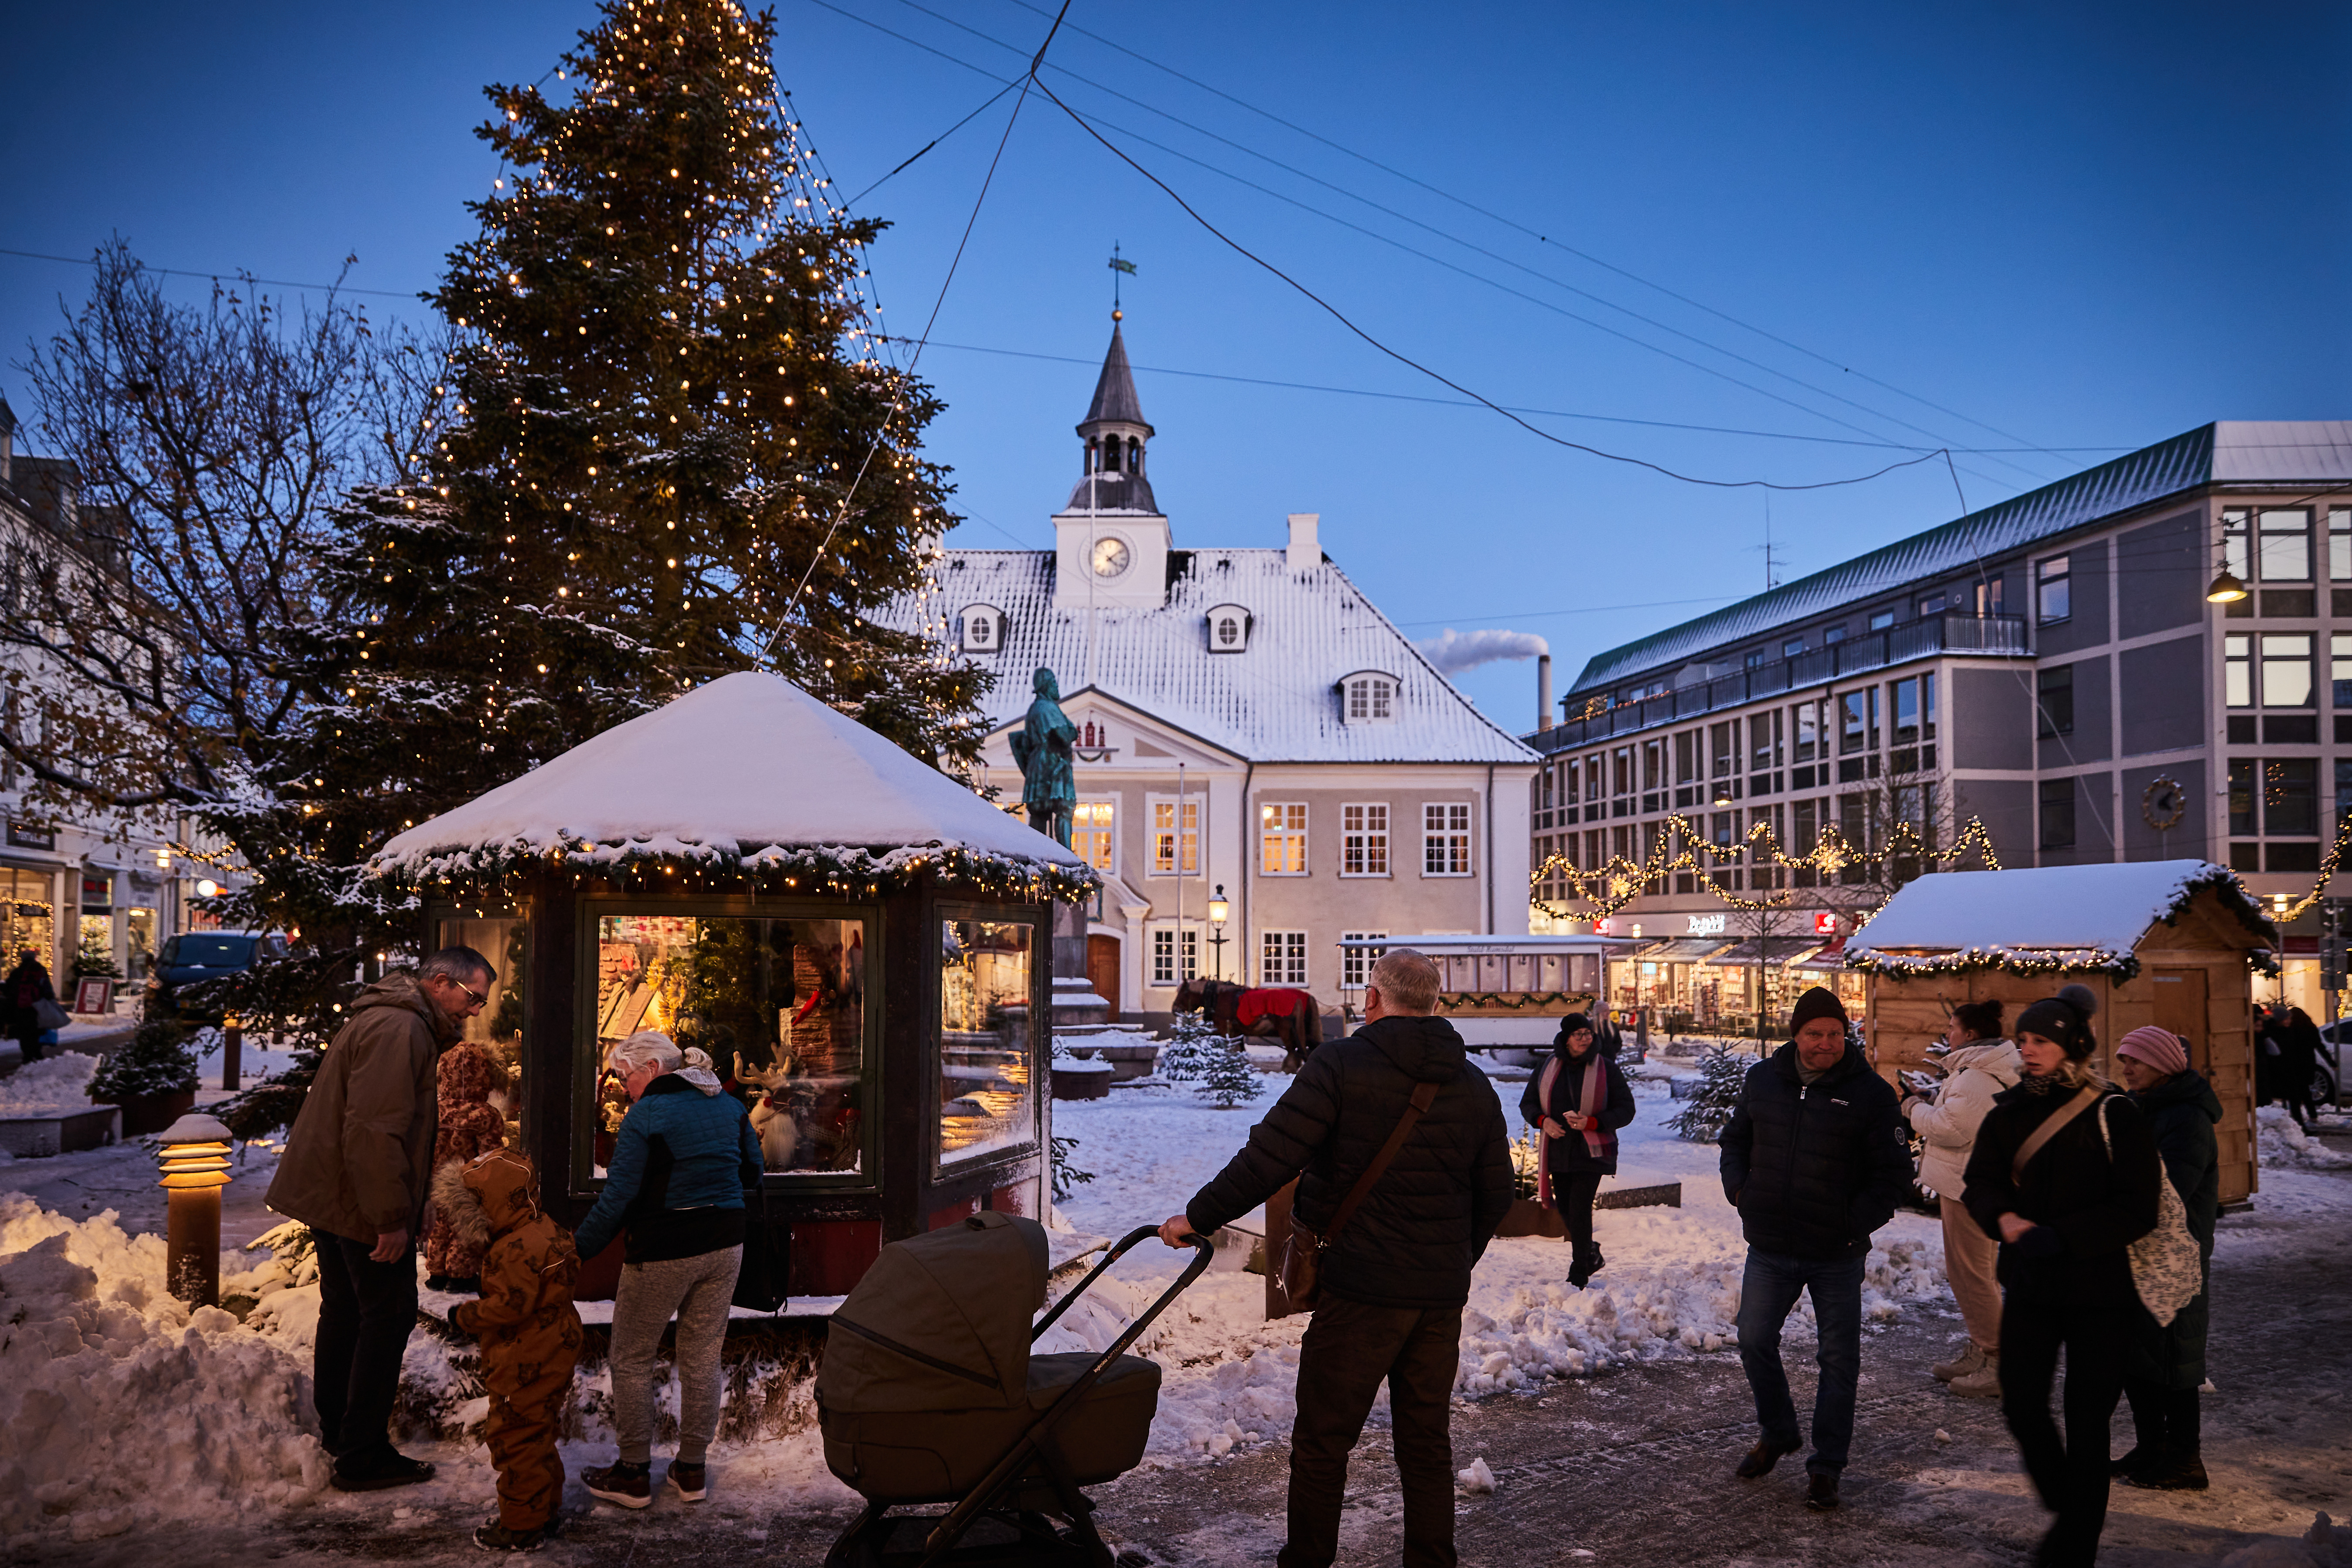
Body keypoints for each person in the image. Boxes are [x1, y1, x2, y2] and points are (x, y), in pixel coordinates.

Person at [1159, 948, 1513, 1568]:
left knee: (1324, 1441)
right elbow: (1496, 1193)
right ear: (1432, 1004)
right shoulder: (1472, 1080)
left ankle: (1309, 1560)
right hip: (1436, 1296)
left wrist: (1197, 1217)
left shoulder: (1341, 1064)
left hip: (1359, 1290)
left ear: (1374, 999)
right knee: (1426, 1442)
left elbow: (1269, 1157)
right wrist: (1451, 1261)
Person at [265, 946, 495, 1490]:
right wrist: (390, 1217)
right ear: (441, 982)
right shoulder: (401, 1030)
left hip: (340, 1194)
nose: (475, 1011)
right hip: (356, 1201)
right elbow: (374, 1131)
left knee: (346, 1311)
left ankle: (341, 1433)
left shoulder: (394, 1019)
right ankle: (361, 1451)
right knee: (386, 1315)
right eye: (473, 997)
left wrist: (406, 1205)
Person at [1963, 984, 2161, 1568]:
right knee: (2021, 1402)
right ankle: (2068, 1503)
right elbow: (1981, 1181)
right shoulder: (2008, 1110)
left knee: (2087, 1418)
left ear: (2072, 1044)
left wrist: (2065, 1235)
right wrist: (2000, 1216)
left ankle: (2073, 1547)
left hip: (2101, 1292)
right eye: (2023, 1039)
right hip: (2031, 1284)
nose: (2028, 1049)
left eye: (2042, 1040)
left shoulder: (2113, 1112)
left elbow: (2137, 1206)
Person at [1720, 985, 1911, 1512]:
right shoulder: (1763, 1080)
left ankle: (1826, 1465)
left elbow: (1893, 1175)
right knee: (1753, 1338)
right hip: (1771, 1244)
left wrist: (1853, 1223)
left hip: (1835, 1252)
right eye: (1814, 1033)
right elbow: (1735, 1139)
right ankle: (1778, 1431)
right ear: (1795, 1034)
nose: (1825, 1042)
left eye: (1833, 1032)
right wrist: (1739, 1189)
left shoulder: (1869, 1093)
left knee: (1837, 1360)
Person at [575, 1030, 765, 1510]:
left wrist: (575, 1251)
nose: (622, 1086)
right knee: (702, 1355)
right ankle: (692, 1469)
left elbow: (618, 1196)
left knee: (633, 1357)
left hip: (664, 1247)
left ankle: (634, 1473)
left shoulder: (647, 1115)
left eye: (625, 1075)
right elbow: (753, 1172)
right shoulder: (728, 1104)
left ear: (654, 1069)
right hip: (726, 1242)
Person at [442, 1147, 584, 1552]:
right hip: (557, 1343)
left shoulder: (512, 1251)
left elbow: (512, 1306)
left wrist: (464, 1316)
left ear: (495, 1204)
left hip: (525, 1355)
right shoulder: (546, 1227)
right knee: (538, 1430)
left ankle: (521, 1525)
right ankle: (544, 1508)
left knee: (515, 1437)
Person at [2113, 1025, 2219, 1492]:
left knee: (2175, 1359)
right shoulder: (2141, 1107)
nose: (2126, 1067)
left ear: (2163, 1064)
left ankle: (2184, 1459)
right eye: (2123, 1059)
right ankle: (2150, 1446)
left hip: (2174, 1256)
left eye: (2135, 1059)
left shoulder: (2186, 1118)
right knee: (2137, 1355)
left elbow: (2168, 1190)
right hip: (2137, 1248)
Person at [1901, 1000, 2021, 1397]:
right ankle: (1983, 1348)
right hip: (1975, 1184)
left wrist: (1911, 1106)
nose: (1947, 1033)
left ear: (1970, 1034)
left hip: (1967, 1186)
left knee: (1970, 1274)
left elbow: (1950, 1128)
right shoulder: (1985, 1068)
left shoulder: (1976, 1077)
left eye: (1952, 1027)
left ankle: (1997, 1360)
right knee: (1977, 1273)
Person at [1519, 1012, 1636, 1288]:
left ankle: (1579, 1269)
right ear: (1566, 1039)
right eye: (1578, 1035)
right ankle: (1591, 1252)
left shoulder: (1606, 1068)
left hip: (1592, 1151)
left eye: (1588, 1034)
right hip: (1559, 1150)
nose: (1585, 1039)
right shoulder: (1547, 1067)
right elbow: (1529, 1104)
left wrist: (1592, 1123)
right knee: (1566, 1209)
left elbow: (1626, 1110)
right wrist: (1543, 1122)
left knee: (1580, 1208)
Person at [423, 1040, 510, 1291]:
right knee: (466, 1227)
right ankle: (460, 1277)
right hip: (466, 1181)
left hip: (436, 1179)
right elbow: (489, 1155)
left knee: (439, 1226)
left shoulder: (436, 1110)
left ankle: (437, 1273)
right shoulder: (484, 1114)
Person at [2277, 1006, 2323, 1132]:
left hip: (2295, 1066)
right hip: (2308, 1065)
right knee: (2305, 1092)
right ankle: (2312, 1116)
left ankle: (2299, 1120)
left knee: (2296, 1094)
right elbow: (2319, 1046)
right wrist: (2331, 1063)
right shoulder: (2311, 1029)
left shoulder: (2292, 1031)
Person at [6, 947, 56, 1064]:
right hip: (38, 1006)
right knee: (37, 1029)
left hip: (22, 1007)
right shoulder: (41, 970)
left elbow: (9, 989)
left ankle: (27, 1054)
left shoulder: (17, 972)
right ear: (34, 958)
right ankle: (37, 1052)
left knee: (25, 1031)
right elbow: (47, 987)